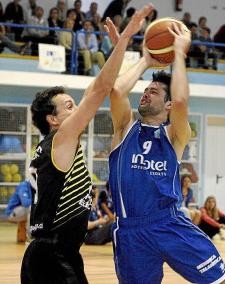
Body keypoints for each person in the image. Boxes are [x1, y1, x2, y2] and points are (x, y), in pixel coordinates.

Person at [20, 4, 153, 284]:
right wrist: (127, 37)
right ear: (52, 120)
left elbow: (100, 87)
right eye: (69, 106)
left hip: (60, 253)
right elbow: (103, 89)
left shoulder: (60, 143)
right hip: (51, 256)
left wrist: (144, 61)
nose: (77, 108)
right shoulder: (61, 138)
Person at [107, 19, 225, 283]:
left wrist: (180, 54)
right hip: (130, 230)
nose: (146, 93)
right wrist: (146, 60)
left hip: (169, 223)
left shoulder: (174, 135)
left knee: (218, 279)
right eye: (145, 90)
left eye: (154, 91)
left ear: (168, 103)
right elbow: (116, 91)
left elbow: (182, 100)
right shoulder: (124, 128)